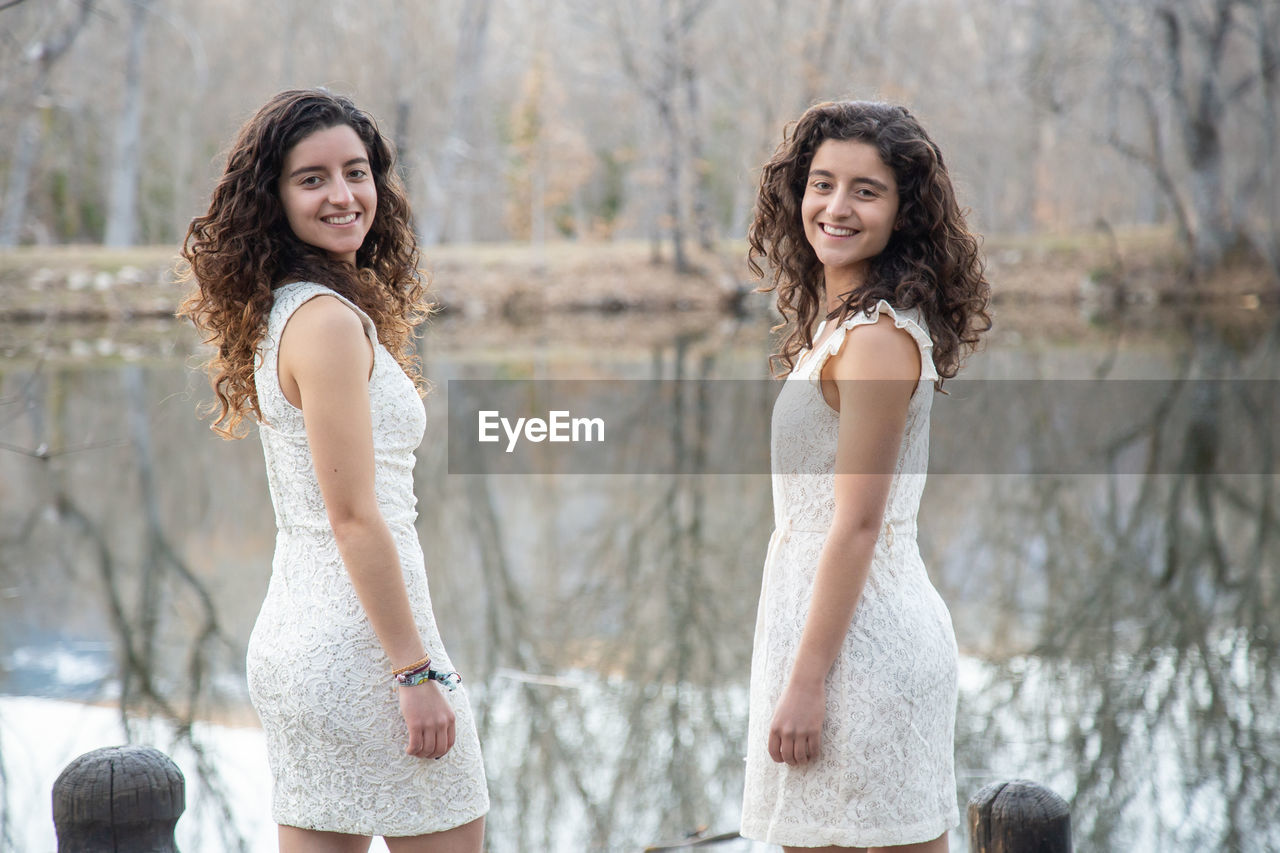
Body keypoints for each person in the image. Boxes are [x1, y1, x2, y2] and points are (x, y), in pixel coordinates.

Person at [179, 89, 488, 853]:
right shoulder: (323, 321)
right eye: (312, 178)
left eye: (356, 172)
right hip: (364, 649)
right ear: (273, 197)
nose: (344, 195)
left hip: (299, 642)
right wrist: (415, 674)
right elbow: (352, 517)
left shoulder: (290, 307)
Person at [740, 101, 991, 852]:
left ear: (904, 211)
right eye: (822, 183)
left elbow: (857, 522)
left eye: (866, 190)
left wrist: (807, 680)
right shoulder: (843, 325)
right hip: (820, 629)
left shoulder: (878, 340)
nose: (835, 207)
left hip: (866, 648)